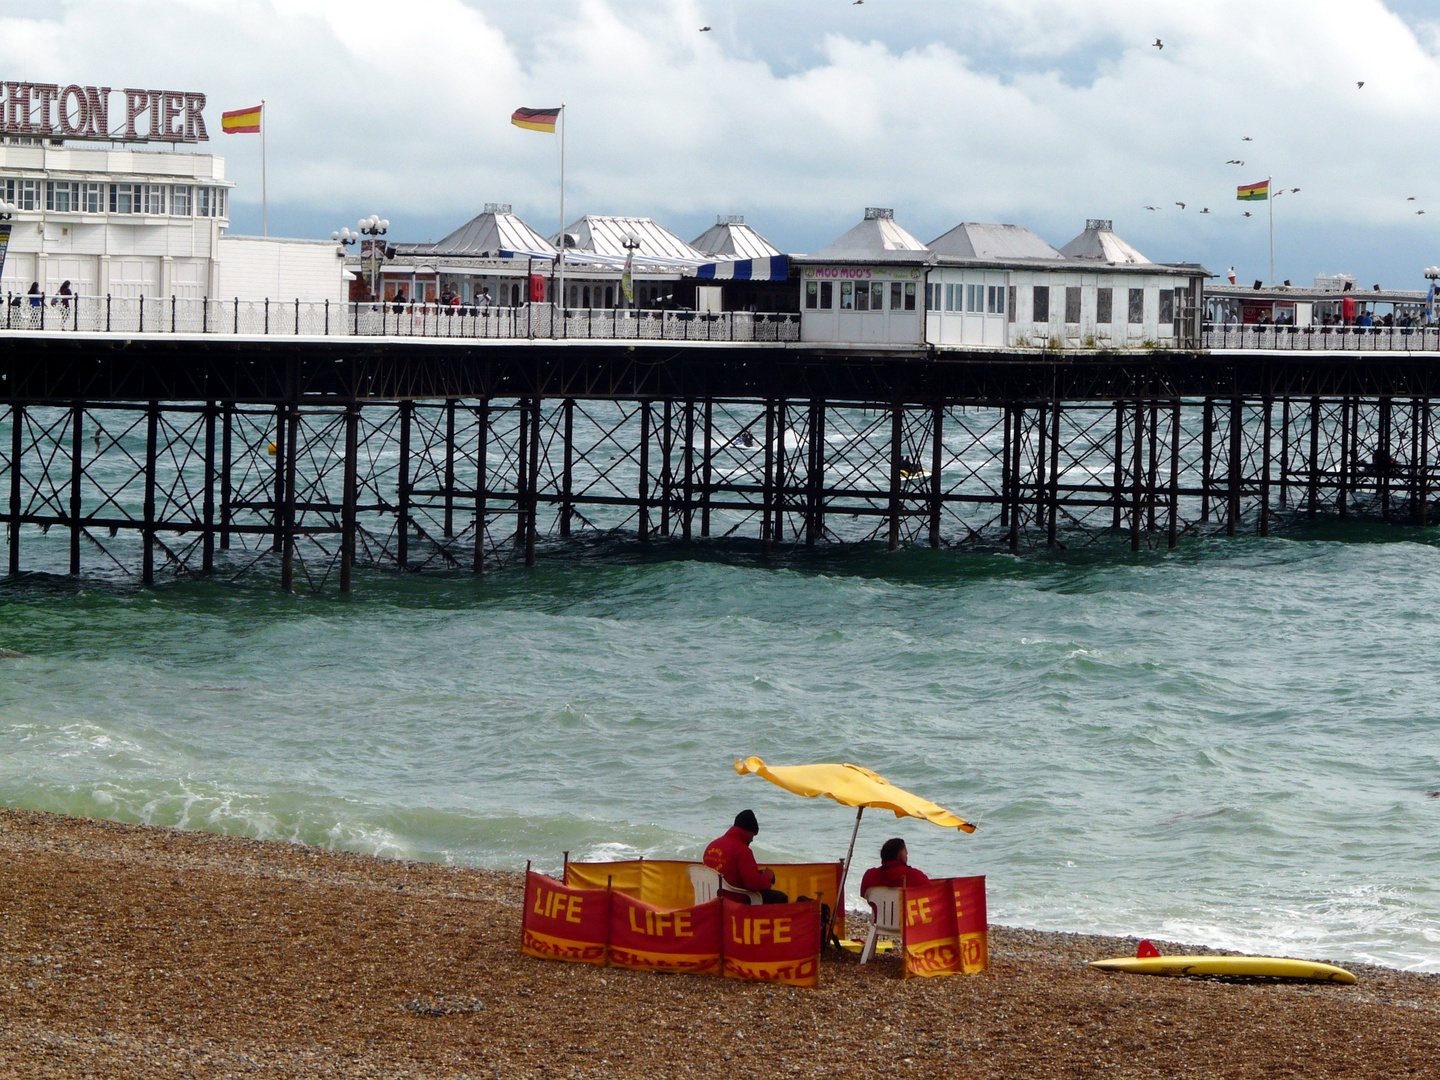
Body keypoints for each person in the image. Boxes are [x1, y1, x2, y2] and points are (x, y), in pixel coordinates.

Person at [703, 810, 788, 904]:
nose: (752, 840)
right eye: (753, 836)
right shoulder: (742, 850)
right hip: (734, 900)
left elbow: (730, 872)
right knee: (781, 897)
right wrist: (768, 876)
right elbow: (753, 885)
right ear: (747, 831)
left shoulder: (712, 845)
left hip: (711, 897)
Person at [859, 837, 931, 897]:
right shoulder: (914, 875)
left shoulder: (870, 875)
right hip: (905, 914)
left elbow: (863, 895)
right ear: (900, 855)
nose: (907, 854)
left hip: (880, 914)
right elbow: (930, 892)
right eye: (905, 851)